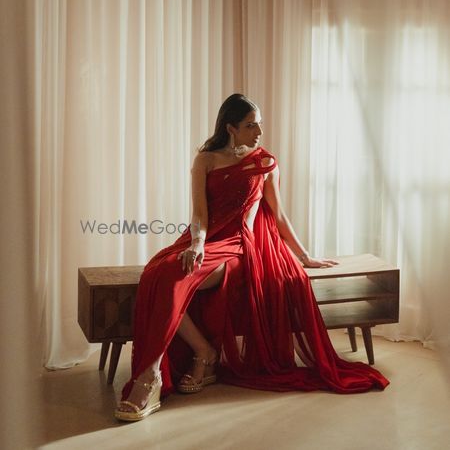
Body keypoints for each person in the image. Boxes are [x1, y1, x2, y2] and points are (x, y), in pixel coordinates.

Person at [115, 93, 389, 422]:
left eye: (259, 124)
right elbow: (199, 213)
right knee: (157, 274)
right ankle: (202, 352)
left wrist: (304, 256)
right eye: (250, 125)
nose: (258, 131)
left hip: (239, 246)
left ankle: (151, 377)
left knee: (175, 281)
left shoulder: (265, 162)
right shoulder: (206, 160)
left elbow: (280, 215)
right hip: (203, 240)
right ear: (231, 128)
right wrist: (197, 243)